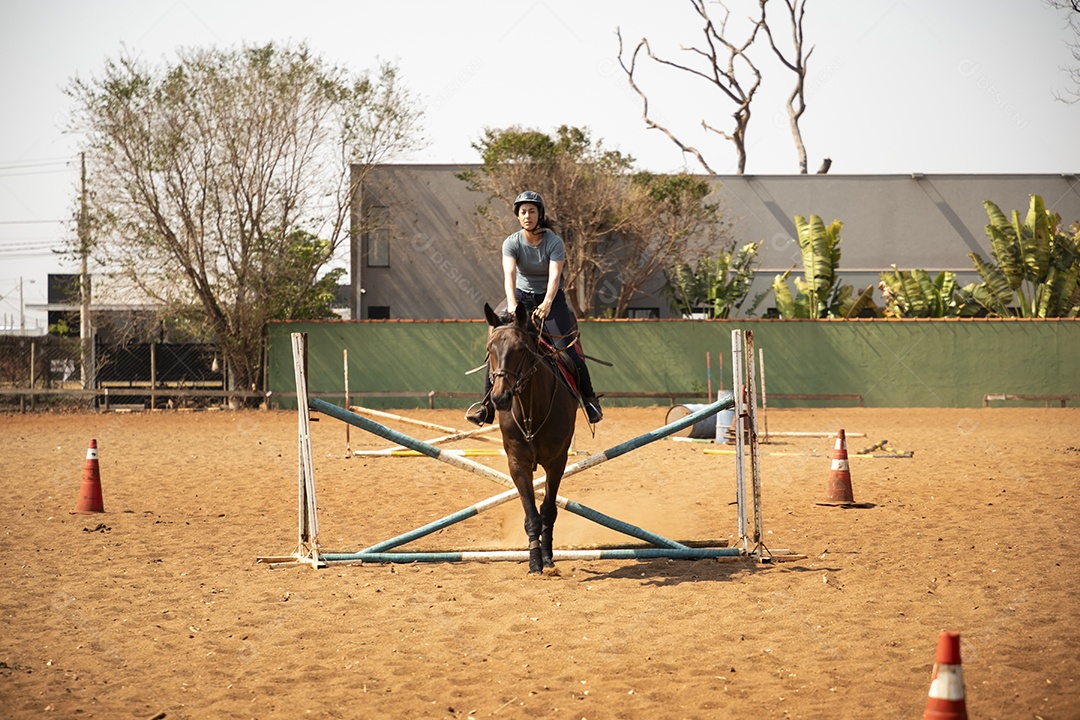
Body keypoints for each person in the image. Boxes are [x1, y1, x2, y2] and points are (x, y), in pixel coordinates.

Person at [467, 190, 603, 426]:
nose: (527, 215)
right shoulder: (511, 243)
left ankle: (590, 401)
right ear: (518, 216)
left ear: (540, 214)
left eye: (532, 211)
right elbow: (509, 274)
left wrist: (548, 302)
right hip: (520, 298)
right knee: (499, 348)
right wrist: (511, 303)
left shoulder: (553, 242)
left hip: (552, 300)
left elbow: (555, 276)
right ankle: (487, 406)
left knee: (570, 352)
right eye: (523, 212)